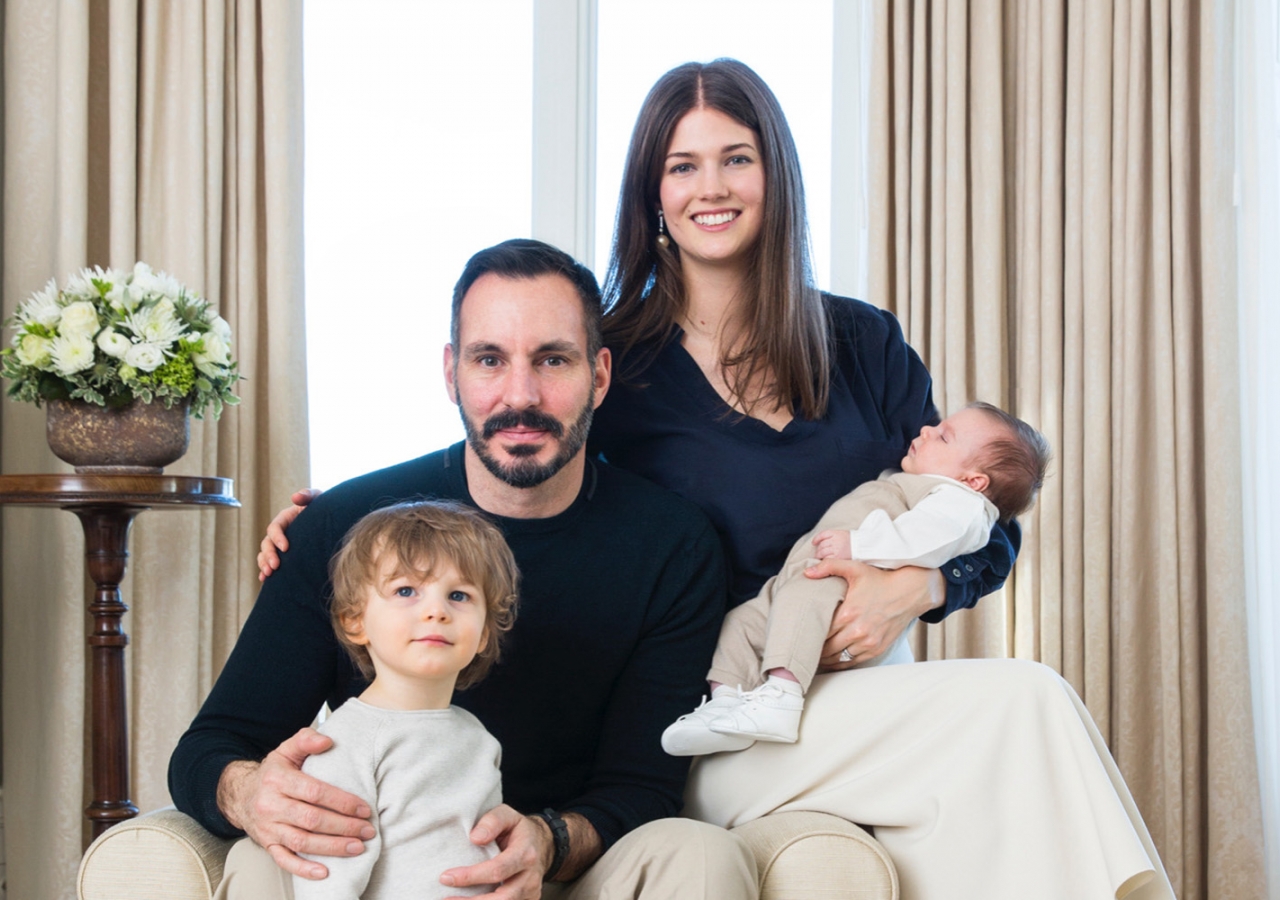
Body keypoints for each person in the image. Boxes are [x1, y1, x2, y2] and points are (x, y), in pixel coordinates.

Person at [260, 57, 1176, 900]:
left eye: (735, 159)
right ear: (652, 193)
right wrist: (333, 528)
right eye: (682, 166)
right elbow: (504, 455)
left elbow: (983, 514)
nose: (712, 187)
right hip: (715, 710)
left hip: (869, 688)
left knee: (1008, 760)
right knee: (1026, 701)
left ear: (774, 176)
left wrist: (925, 584)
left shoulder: (863, 344)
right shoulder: (617, 359)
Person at [169, 239, 758, 900]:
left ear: (598, 375)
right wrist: (249, 793)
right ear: (451, 373)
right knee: (259, 859)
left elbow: (642, 788)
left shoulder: (672, 544)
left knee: (700, 851)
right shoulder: (346, 526)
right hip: (383, 868)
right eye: (489, 359)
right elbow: (210, 748)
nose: (521, 394)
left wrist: (546, 841)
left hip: (572, 866)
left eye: (553, 360)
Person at [661, 403, 1052, 757]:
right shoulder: (928, 482)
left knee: (802, 603)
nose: (928, 430)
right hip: (800, 574)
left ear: (974, 482)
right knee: (743, 623)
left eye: (944, 436)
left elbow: (923, 542)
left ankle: (781, 695)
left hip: (842, 580)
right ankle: (726, 703)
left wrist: (859, 544)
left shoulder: (959, 504)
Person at [294, 500, 519, 900]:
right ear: (355, 620)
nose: (436, 611)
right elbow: (327, 878)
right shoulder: (346, 741)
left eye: (460, 596)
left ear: (484, 633)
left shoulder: (476, 735)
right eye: (405, 590)